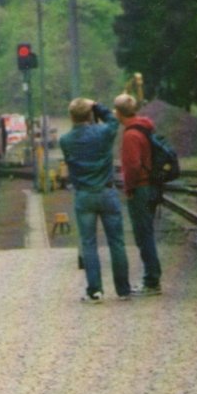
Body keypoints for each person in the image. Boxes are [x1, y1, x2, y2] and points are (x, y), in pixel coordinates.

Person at [58, 98, 131, 303]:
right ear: (90, 114)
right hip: (107, 192)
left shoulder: (65, 141)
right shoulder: (103, 133)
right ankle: (123, 290)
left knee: (89, 244)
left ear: (71, 116)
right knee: (116, 242)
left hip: (84, 196)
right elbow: (113, 120)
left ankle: (95, 291)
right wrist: (97, 105)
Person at [114, 93, 163, 296]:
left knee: (143, 235)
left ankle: (152, 280)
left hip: (140, 188)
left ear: (119, 112)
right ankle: (152, 277)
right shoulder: (144, 127)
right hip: (149, 185)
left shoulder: (131, 135)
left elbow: (133, 166)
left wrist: (129, 188)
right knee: (147, 233)